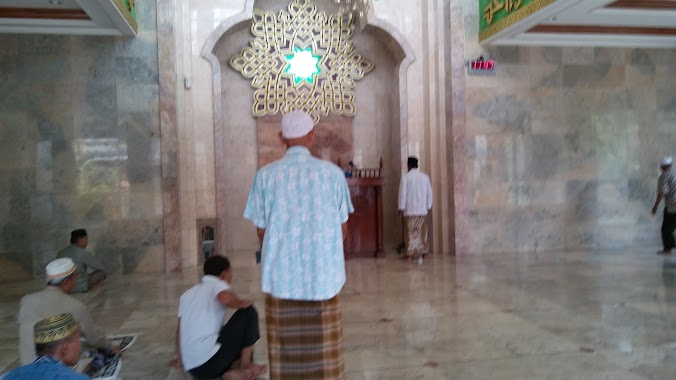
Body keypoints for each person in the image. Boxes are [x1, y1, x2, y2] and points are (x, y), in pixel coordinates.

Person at [243, 110, 354, 380]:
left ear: (281, 138)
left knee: (285, 351)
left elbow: (261, 229)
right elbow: (343, 228)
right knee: (325, 354)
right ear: (312, 136)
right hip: (323, 279)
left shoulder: (265, 176)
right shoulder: (332, 174)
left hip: (282, 279)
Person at [172, 256, 265, 380]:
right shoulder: (217, 284)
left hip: (194, 370)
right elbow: (224, 298)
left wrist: (180, 360)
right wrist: (240, 303)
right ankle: (245, 367)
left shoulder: (186, 295)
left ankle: (233, 370)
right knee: (249, 311)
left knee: (227, 331)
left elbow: (179, 331)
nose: (232, 276)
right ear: (224, 274)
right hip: (211, 363)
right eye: (231, 272)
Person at [18, 258, 118, 365]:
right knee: (94, 352)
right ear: (66, 281)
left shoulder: (26, 300)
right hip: (54, 370)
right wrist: (112, 348)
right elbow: (94, 339)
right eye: (75, 277)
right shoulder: (74, 305)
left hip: (27, 364)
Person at [2, 313, 90, 380]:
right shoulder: (75, 378)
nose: (80, 348)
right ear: (65, 349)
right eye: (79, 341)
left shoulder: (8, 376)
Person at [398, 156, 433, 261]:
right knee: (423, 232)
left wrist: (401, 207)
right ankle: (424, 253)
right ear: (417, 165)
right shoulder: (425, 177)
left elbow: (402, 194)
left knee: (410, 233)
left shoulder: (405, 177)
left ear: (408, 165)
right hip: (422, 210)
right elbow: (429, 193)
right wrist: (429, 206)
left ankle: (409, 255)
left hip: (410, 210)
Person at [652, 156, 676, 255]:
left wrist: (655, 206)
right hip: (671, 206)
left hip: (673, 206)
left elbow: (662, 192)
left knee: (666, 228)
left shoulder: (664, 176)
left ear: (663, 166)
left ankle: (668, 250)